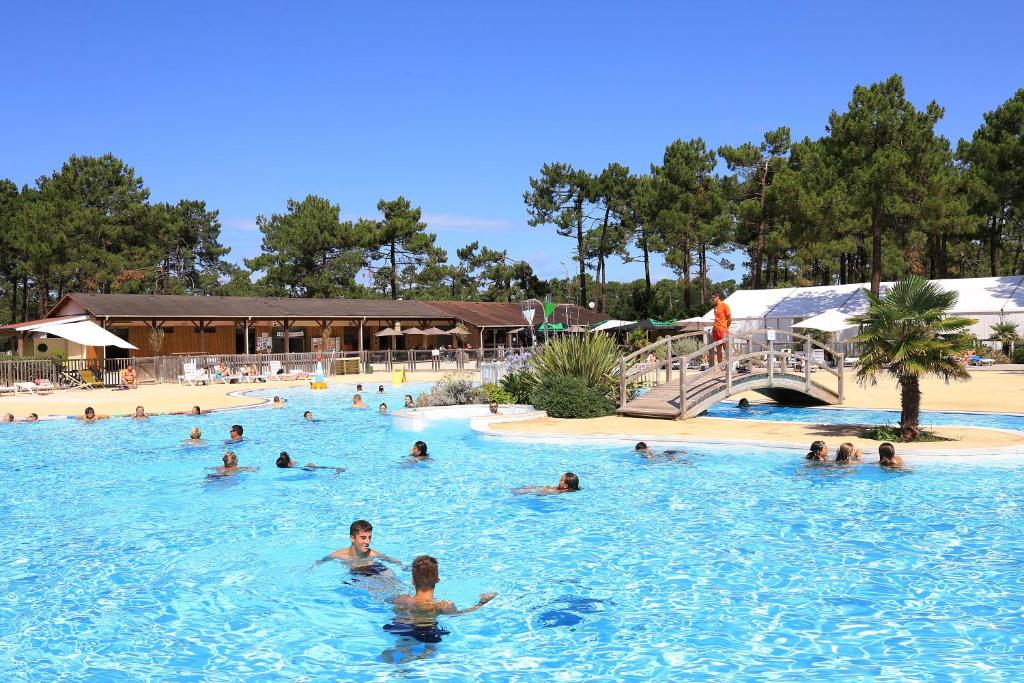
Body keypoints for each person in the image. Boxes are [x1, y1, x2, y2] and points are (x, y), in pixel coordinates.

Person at [386, 555, 496, 642]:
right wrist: (482, 603)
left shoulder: (400, 599)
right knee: (431, 647)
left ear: (413, 581)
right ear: (437, 579)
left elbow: (387, 601)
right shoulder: (442, 605)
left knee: (402, 644)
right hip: (426, 632)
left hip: (400, 627)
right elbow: (460, 614)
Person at [320, 519, 404, 571]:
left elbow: (393, 561)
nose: (368, 542)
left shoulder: (372, 554)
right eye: (363, 538)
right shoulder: (338, 555)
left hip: (375, 568)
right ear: (352, 538)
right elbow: (319, 563)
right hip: (357, 574)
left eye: (369, 537)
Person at [709, 291, 732, 368]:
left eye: (713, 298)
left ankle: (728, 366)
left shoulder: (725, 306)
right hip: (716, 330)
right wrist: (713, 329)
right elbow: (716, 319)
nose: (712, 299)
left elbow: (729, 318)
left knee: (726, 349)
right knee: (718, 350)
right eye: (711, 298)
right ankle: (720, 366)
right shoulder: (715, 307)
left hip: (723, 330)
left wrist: (726, 327)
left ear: (717, 297)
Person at [515, 472, 580, 495]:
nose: (559, 481)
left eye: (561, 480)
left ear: (565, 486)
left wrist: (542, 492)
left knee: (520, 491)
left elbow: (542, 493)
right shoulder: (570, 488)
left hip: (542, 491)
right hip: (546, 489)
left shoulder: (559, 491)